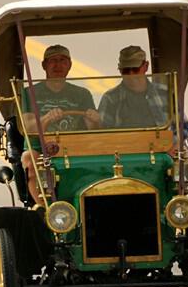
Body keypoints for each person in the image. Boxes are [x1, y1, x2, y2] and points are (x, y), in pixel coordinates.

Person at [20, 45, 100, 203]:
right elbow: (27, 127)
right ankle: (46, 209)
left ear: (69, 65)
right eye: (53, 61)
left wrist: (95, 120)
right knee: (30, 158)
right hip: (41, 148)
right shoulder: (29, 93)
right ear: (44, 65)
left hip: (75, 147)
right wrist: (46, 118)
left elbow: (93, 131)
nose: (58, 65)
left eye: (63, 60)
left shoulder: (82, 94)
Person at [98, 45, 171, 129]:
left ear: (146, 66)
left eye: (135, 69)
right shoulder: (110, 98)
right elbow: (103, 133)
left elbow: (180, 128)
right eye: (126, 70)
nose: (131, 74)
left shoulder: (165, 93)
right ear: (120, 70)